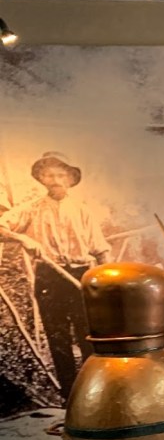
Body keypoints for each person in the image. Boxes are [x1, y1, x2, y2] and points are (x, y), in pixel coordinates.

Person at [0, 151, 110, 402]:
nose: (56, 180)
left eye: (61, 175)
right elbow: (2, 226)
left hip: (81, 275)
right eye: (49, 175)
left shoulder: (82, 211)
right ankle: (70, 398)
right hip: (50, 277)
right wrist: (22, 238)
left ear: (70, 179)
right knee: (58, 338)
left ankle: (95, 395)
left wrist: (109, 283)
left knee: (89, 336)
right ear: (41, 178)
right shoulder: (31, 209)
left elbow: (101, 250)